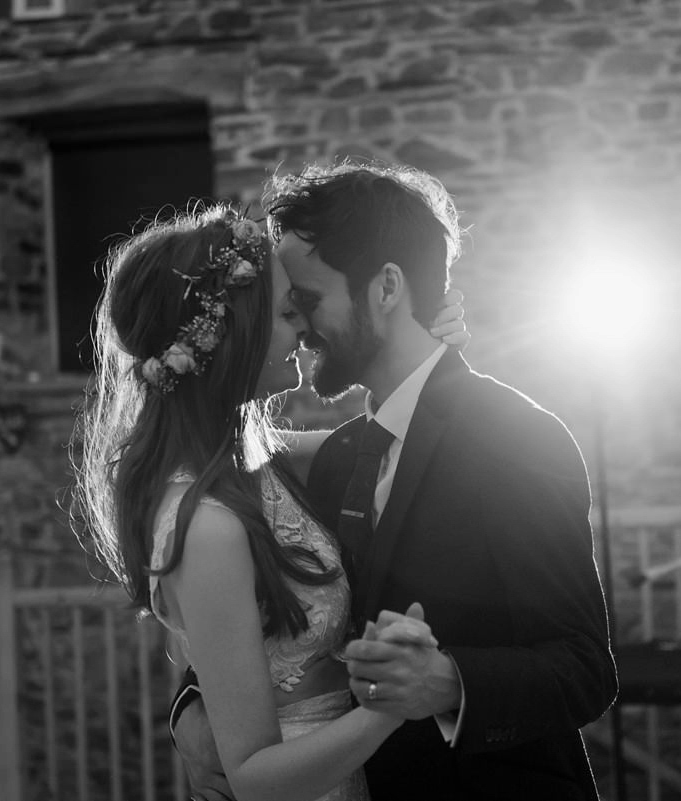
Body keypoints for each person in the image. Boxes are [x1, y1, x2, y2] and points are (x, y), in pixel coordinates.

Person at [173, 161, 618, 800]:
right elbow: (268, 631)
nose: (298, 330)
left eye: (309, 301)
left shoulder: (518, 437)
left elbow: (586, 667)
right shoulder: (335, 457)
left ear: (385, 288)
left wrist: (451, 682)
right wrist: (189, 710)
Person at [70, 203, 468, 801]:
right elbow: (254, 776)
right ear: (230, 332)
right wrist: (392, 704)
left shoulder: (262, 467)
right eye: (287, 313)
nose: (304, 329)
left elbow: (391, 434)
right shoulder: (206, 524)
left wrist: (425, 349)